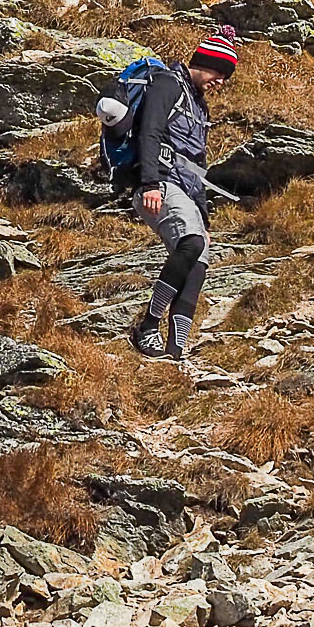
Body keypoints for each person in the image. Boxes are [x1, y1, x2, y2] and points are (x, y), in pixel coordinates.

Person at [127, 28, 239, 374]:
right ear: (205, 63)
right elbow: (149, 132)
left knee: (198, 261)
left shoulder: (198, 106)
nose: (221, 81)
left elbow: (197, 169)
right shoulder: (168, 85)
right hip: (158, 183)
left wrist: (205, 221)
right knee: (188, 244)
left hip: (185, 190)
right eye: (219, 72)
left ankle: (174, 354)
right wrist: (148, 183)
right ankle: (148, 326)